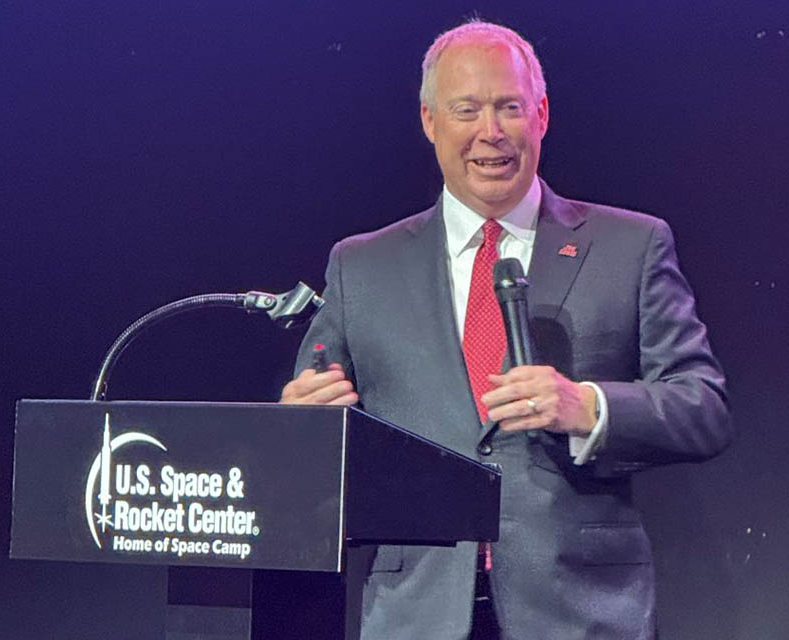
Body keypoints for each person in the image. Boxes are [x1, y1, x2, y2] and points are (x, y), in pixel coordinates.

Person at [280, 20, 733, 640]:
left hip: (582, 611)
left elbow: (702, 406)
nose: (489, 132)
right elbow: (318, 433)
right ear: (430, 122)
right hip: (418, 612)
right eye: (466, 109)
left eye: (509, 108)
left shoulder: (630, 245)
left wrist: (587, 406)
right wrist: (302, 426)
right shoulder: (361, 266)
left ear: (541, 115)